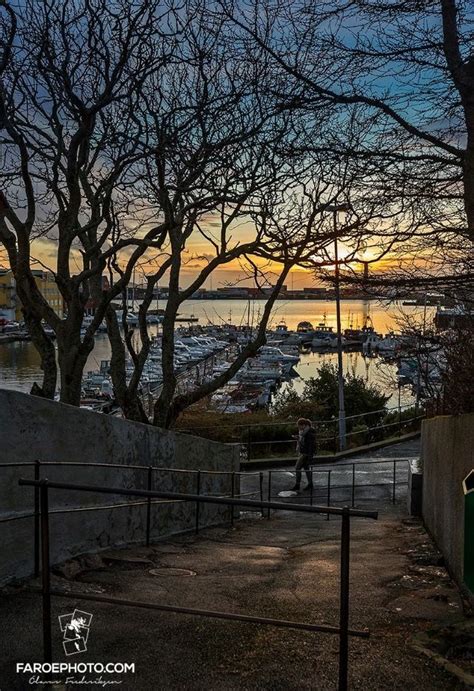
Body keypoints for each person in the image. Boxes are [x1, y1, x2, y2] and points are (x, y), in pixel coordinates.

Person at [290, 418, 316, 492]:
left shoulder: (308, 433)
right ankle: (310, 484)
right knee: (306, 468)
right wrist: (298, 438)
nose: (299, 428)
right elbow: (304, 442)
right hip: (305, 453)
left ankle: (298, 485)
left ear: (303, 425)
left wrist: (310, 456)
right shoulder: (304, 432)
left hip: (305, 453)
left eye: (299, 426)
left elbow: (311, 445)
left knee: (297, 467)